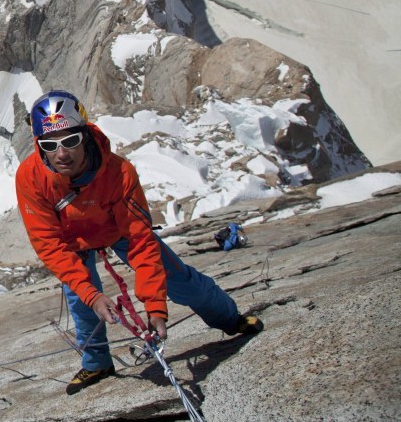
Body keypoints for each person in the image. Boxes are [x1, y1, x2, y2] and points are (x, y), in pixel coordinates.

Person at [15, 90, 263, 394]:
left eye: (70, 141)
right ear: (39, 144)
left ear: (85, 134)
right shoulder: (30, 177)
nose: (61, 153)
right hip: (73, 240)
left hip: (116, 230)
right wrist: (93, 295)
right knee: (82, 301)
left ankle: (229, 319)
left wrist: (155, 306)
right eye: (50, 145)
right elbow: (47, 242)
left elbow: (140, 240)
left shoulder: (118, 173)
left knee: (180, 281)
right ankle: (97, 363)